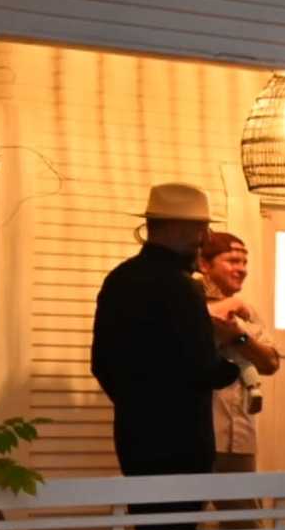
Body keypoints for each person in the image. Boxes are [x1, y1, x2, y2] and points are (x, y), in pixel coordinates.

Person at [90, 183, 241, 479]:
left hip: (134, 437)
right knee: (180, 521)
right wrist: (231, 363)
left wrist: (136, 406)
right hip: (184, 441)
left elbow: (102, 364)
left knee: (149, 518)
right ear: (176, 229)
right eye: (201, 228)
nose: (206, 238)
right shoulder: (181, 286)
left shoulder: (119, 279)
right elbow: (202, 367)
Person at [198, 229, 281, 474]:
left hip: (242, 434)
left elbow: (271, 362)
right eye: (233, 261)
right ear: (204, 264)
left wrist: (239, 337)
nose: (242, 269)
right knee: (187, 509)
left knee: (245, 511)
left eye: (245, 262)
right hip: (200, 433)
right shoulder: (189, 303)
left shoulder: (247, 311)